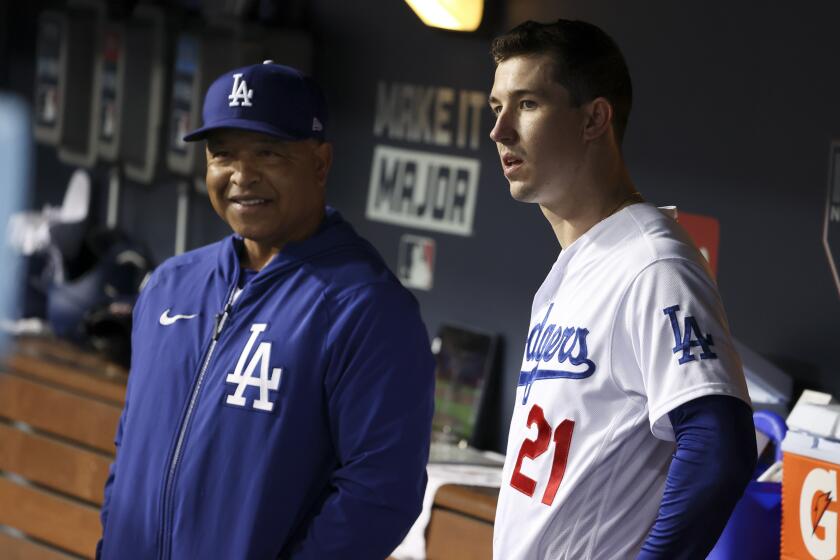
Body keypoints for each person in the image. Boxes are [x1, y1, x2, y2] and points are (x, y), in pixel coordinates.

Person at [97, 61, 435, 559]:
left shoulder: (366, 307)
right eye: (222, 154)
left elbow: (380, 494)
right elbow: (131, 452)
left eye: (268, 152)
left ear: (320, 163)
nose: (241, 175)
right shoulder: (171, 283)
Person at [487, 20, 756, 559]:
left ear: (594, 118)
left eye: (528, 104)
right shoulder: (587, 260)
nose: (500, 131)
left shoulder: (652, 263)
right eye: (497, 107)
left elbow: (718, 446)